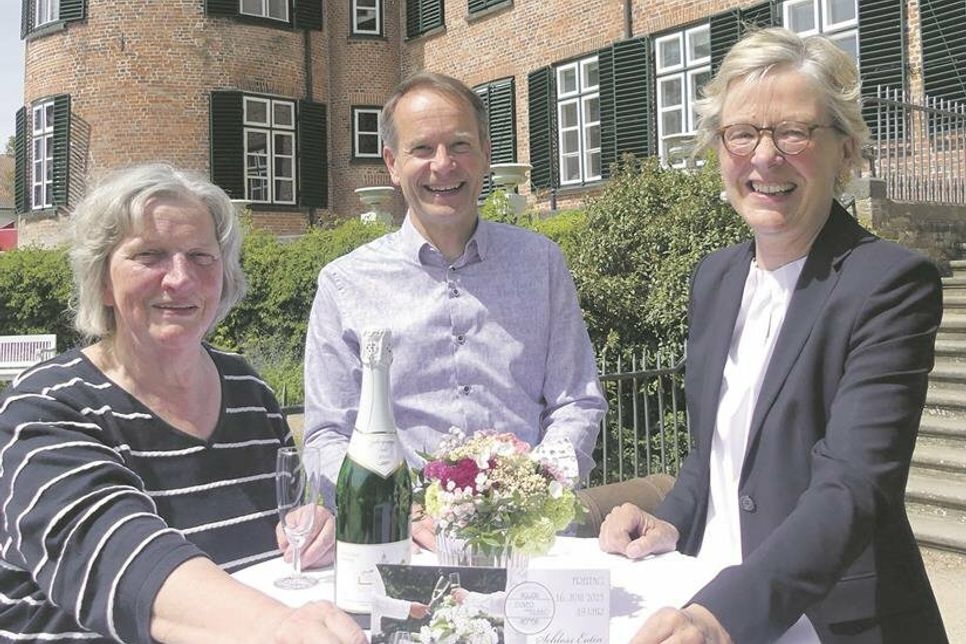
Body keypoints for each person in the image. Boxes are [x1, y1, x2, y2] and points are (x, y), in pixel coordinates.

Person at [598, 28, 948, 643]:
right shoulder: (715, 277)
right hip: (704, 595)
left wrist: (720, 616)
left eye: (793, 132)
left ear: (845, 151)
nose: (764, 157)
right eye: (741, 133)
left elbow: (852, 484)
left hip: (828, 623)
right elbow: (714, 455)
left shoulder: (890, 284)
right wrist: (669, 520)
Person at [0, 164, 363, 643]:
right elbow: (117, 557)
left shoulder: (248, 392)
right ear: (103, 279)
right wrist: (276, 628)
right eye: (149, 255)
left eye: (201, 257)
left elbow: (285, 523)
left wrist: (314, 529)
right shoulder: (44, 407)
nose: (180, 278)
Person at [303, 71, 607, 538]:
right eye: (422, 149)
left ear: (485, 153)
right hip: (405, 543)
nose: (443, 165)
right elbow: (327, 436)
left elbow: (577, 402)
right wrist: (401, 512)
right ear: (392, 163)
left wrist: (534, 492)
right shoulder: (346, 285)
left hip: (530, 544)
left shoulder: (541, 264)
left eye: (460, 145)